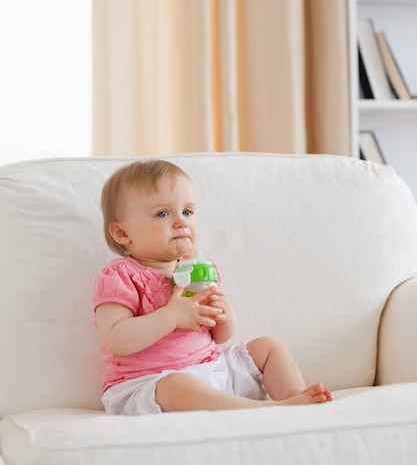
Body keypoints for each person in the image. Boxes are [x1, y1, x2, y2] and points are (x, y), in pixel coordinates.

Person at [92, 159, 332, 415]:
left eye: (187, 212)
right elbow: (115, 338)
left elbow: (221, 336)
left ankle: (293, 397)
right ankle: (264, 410)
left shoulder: (199, 268)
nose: (181, 222)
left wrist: (223, 313)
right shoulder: (120, 275)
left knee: (268, 347)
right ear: (122, 232)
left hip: (212, 369)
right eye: (163, 213)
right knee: (177, 385)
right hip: (150, 384)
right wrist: (171, 316)